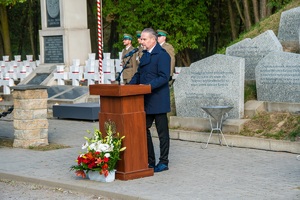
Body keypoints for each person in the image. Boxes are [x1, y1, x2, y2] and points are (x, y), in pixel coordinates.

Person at [129, 28, 171, 173]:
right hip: (146, 100)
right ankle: (150, 160)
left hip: (158, 99)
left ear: (153, 39)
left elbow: (164, 77)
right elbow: (139, 74)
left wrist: (148, 86)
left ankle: (164, 161)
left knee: (162, 133)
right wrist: (128, 88)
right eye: (141, 39)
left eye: (144, 39)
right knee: (143, 129)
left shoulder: (162, 55)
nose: (142, 41)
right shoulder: (145, 55)